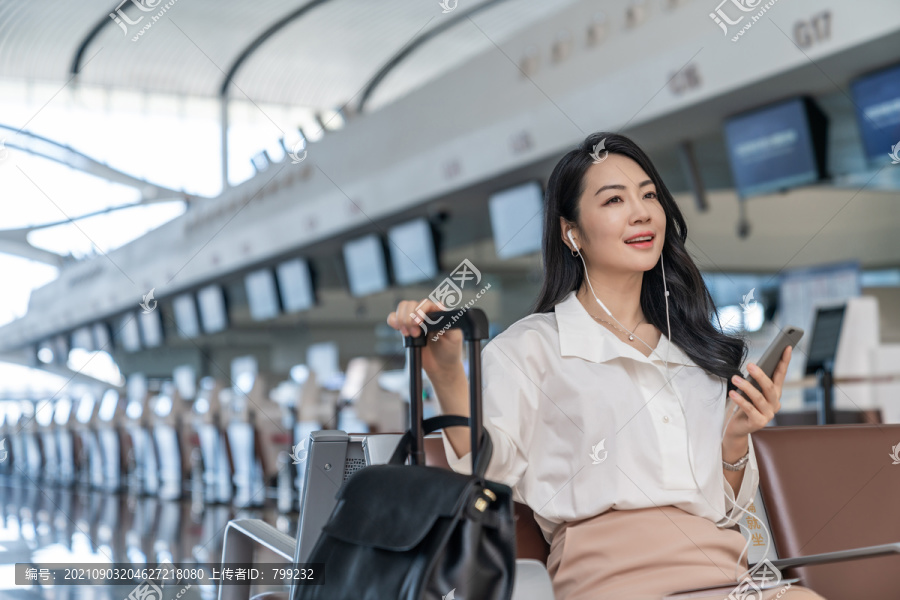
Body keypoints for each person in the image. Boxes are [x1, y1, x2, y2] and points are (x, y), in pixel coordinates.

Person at [387, 132, 826, 600]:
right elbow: (490, 472)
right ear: (571, 232)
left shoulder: (696, 351)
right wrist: (448, 374)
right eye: (614, 199)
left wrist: (735, 436)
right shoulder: (531, 346)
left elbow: (724, 510)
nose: (641, 211)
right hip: (609, 581)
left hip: (726, 575)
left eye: (649, 195)